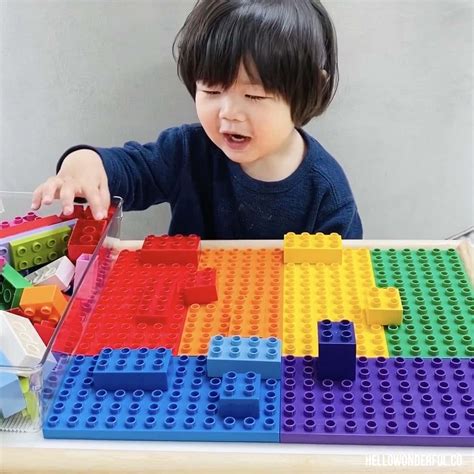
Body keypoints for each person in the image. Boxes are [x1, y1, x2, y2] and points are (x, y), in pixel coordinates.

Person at [31, 0, 363, 239]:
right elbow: (130, 170)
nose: (228, 112)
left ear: (311, 89)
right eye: (212, 91)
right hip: (188, 318)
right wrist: (82, 164)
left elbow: (342, 278)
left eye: (255, 96)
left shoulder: (326, 191)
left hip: (283, 322)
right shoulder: (186, 152)